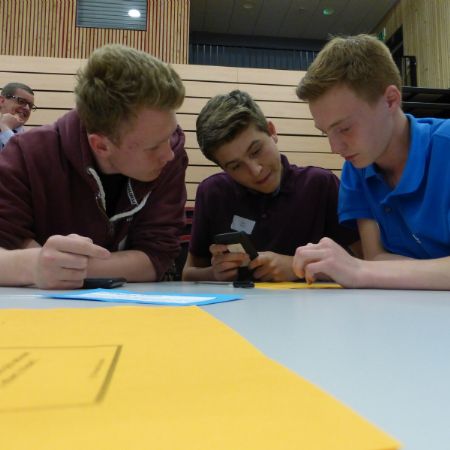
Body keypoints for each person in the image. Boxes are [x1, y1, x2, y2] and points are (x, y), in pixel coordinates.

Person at [0, 44, 188, 289]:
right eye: (153, 147)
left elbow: (157, 256)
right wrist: (33, 265)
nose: (169, 154)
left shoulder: (171, 155)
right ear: (101, 145)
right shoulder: (27, 154)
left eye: (170, 135)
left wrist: (59, 265)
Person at [293, 34, 450, 290]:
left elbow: (370, 267)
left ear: (390, 100)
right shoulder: (356, 167)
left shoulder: (446, 146)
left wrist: (358, 270)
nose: (335, 148)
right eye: (325, 133)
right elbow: (376, 257)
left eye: (344, 128)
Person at [182, 90, 359, 282]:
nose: (255, 170)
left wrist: (296, 267)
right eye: (236, 166)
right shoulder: (212, 193)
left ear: (271, 131)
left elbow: (362, 263)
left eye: (256, 151)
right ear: (223, 168)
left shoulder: (320, 185)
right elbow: (188, 273)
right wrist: (213, 273)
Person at [0, 82, 36, 150]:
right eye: (21, 101)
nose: (27, 108)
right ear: (2, 101)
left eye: (30, 106)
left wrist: (5, 128)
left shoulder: (33, 139)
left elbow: (21, 154)